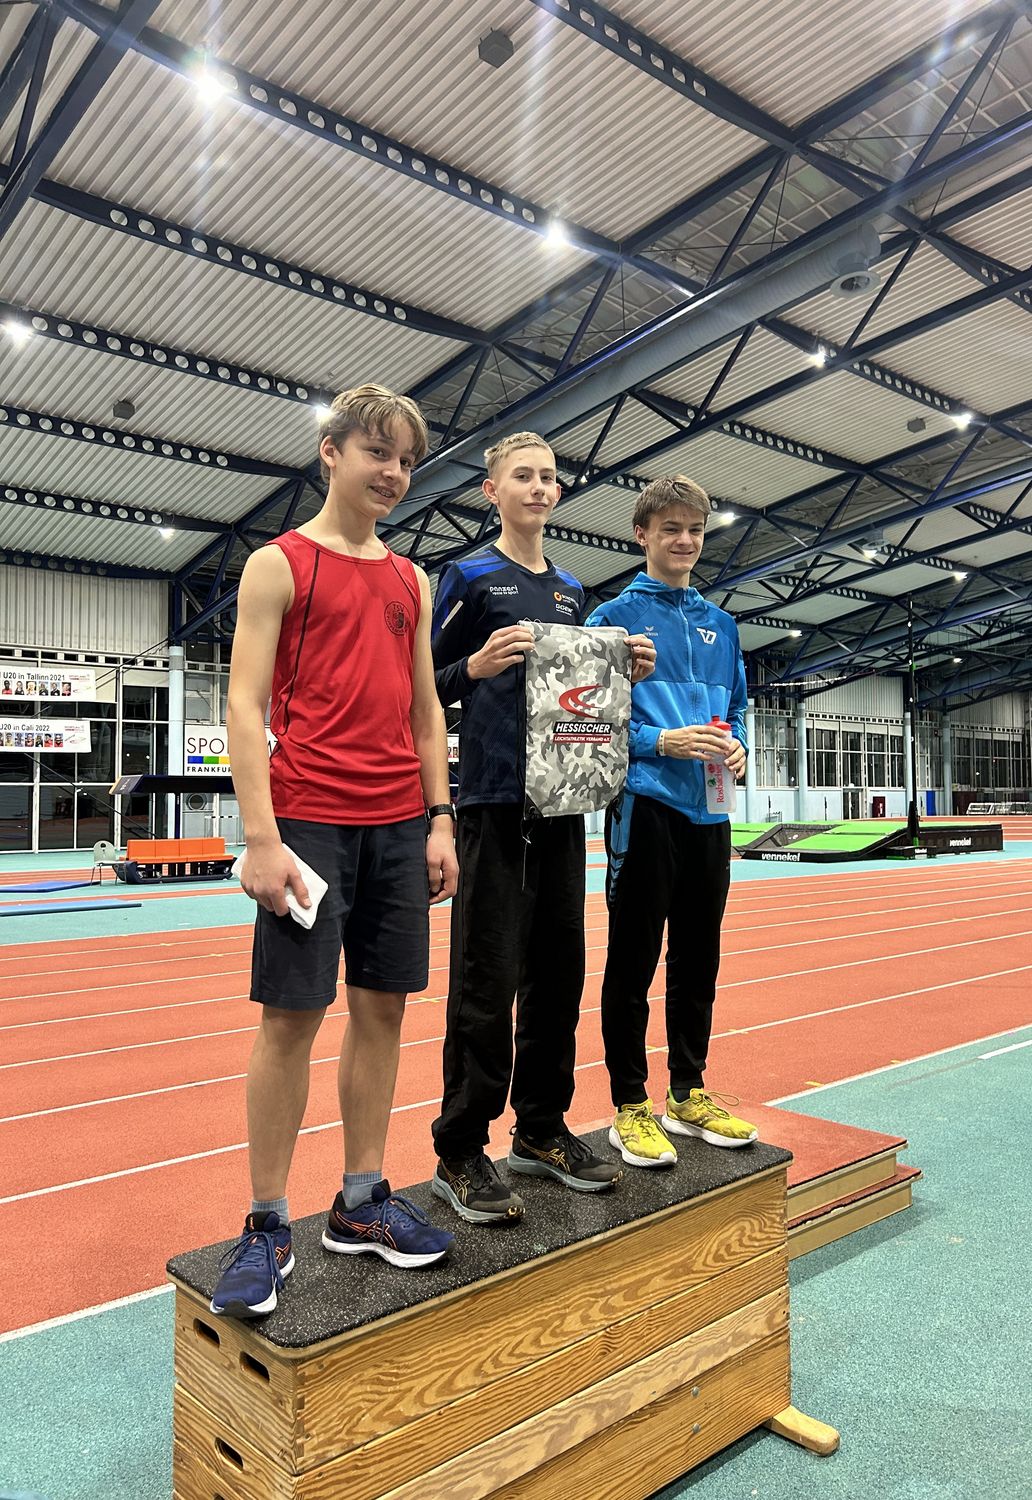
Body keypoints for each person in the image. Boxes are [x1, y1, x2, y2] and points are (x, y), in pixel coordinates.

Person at [211, 384, 458, 1320]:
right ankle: (266, 1221)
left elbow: (425, 710)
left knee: (383, 1010)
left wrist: (440, 819)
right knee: (291, 1018)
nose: (393, 473)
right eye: (377, 453)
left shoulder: (412, 581)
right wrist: (261, 837)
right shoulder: (278, 565)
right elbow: (244, 705)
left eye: (406, 461)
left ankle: (360, 1200)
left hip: (398, 824)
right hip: (308, 824)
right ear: (332, 452)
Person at [429, 431, 655, 1223]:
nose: (537, 487)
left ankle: (541, 1127)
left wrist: (623, 671)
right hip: (493, 805)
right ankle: (461, 1147)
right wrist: (474, 667)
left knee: (559, 974)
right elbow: (421, 686)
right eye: (521, 476)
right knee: (486, 980)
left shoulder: (569, 591)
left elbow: (577, 694)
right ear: (492, 490)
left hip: (562, 806)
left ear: (559, 493)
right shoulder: (468, 576)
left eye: (548, 477)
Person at [586, 476, 757, 1168]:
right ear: (642, 535)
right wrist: (662, 741)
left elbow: (737, 709)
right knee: (632, 960)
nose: (685, 541)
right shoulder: (612, 619)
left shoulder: (724, 625)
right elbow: (588, 722)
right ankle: (630, 1104)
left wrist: (739, 746)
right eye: (671, 529)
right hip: (644, 806)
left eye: (695, 530)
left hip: (709, 811)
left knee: (698, 957)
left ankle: (687, 1091)